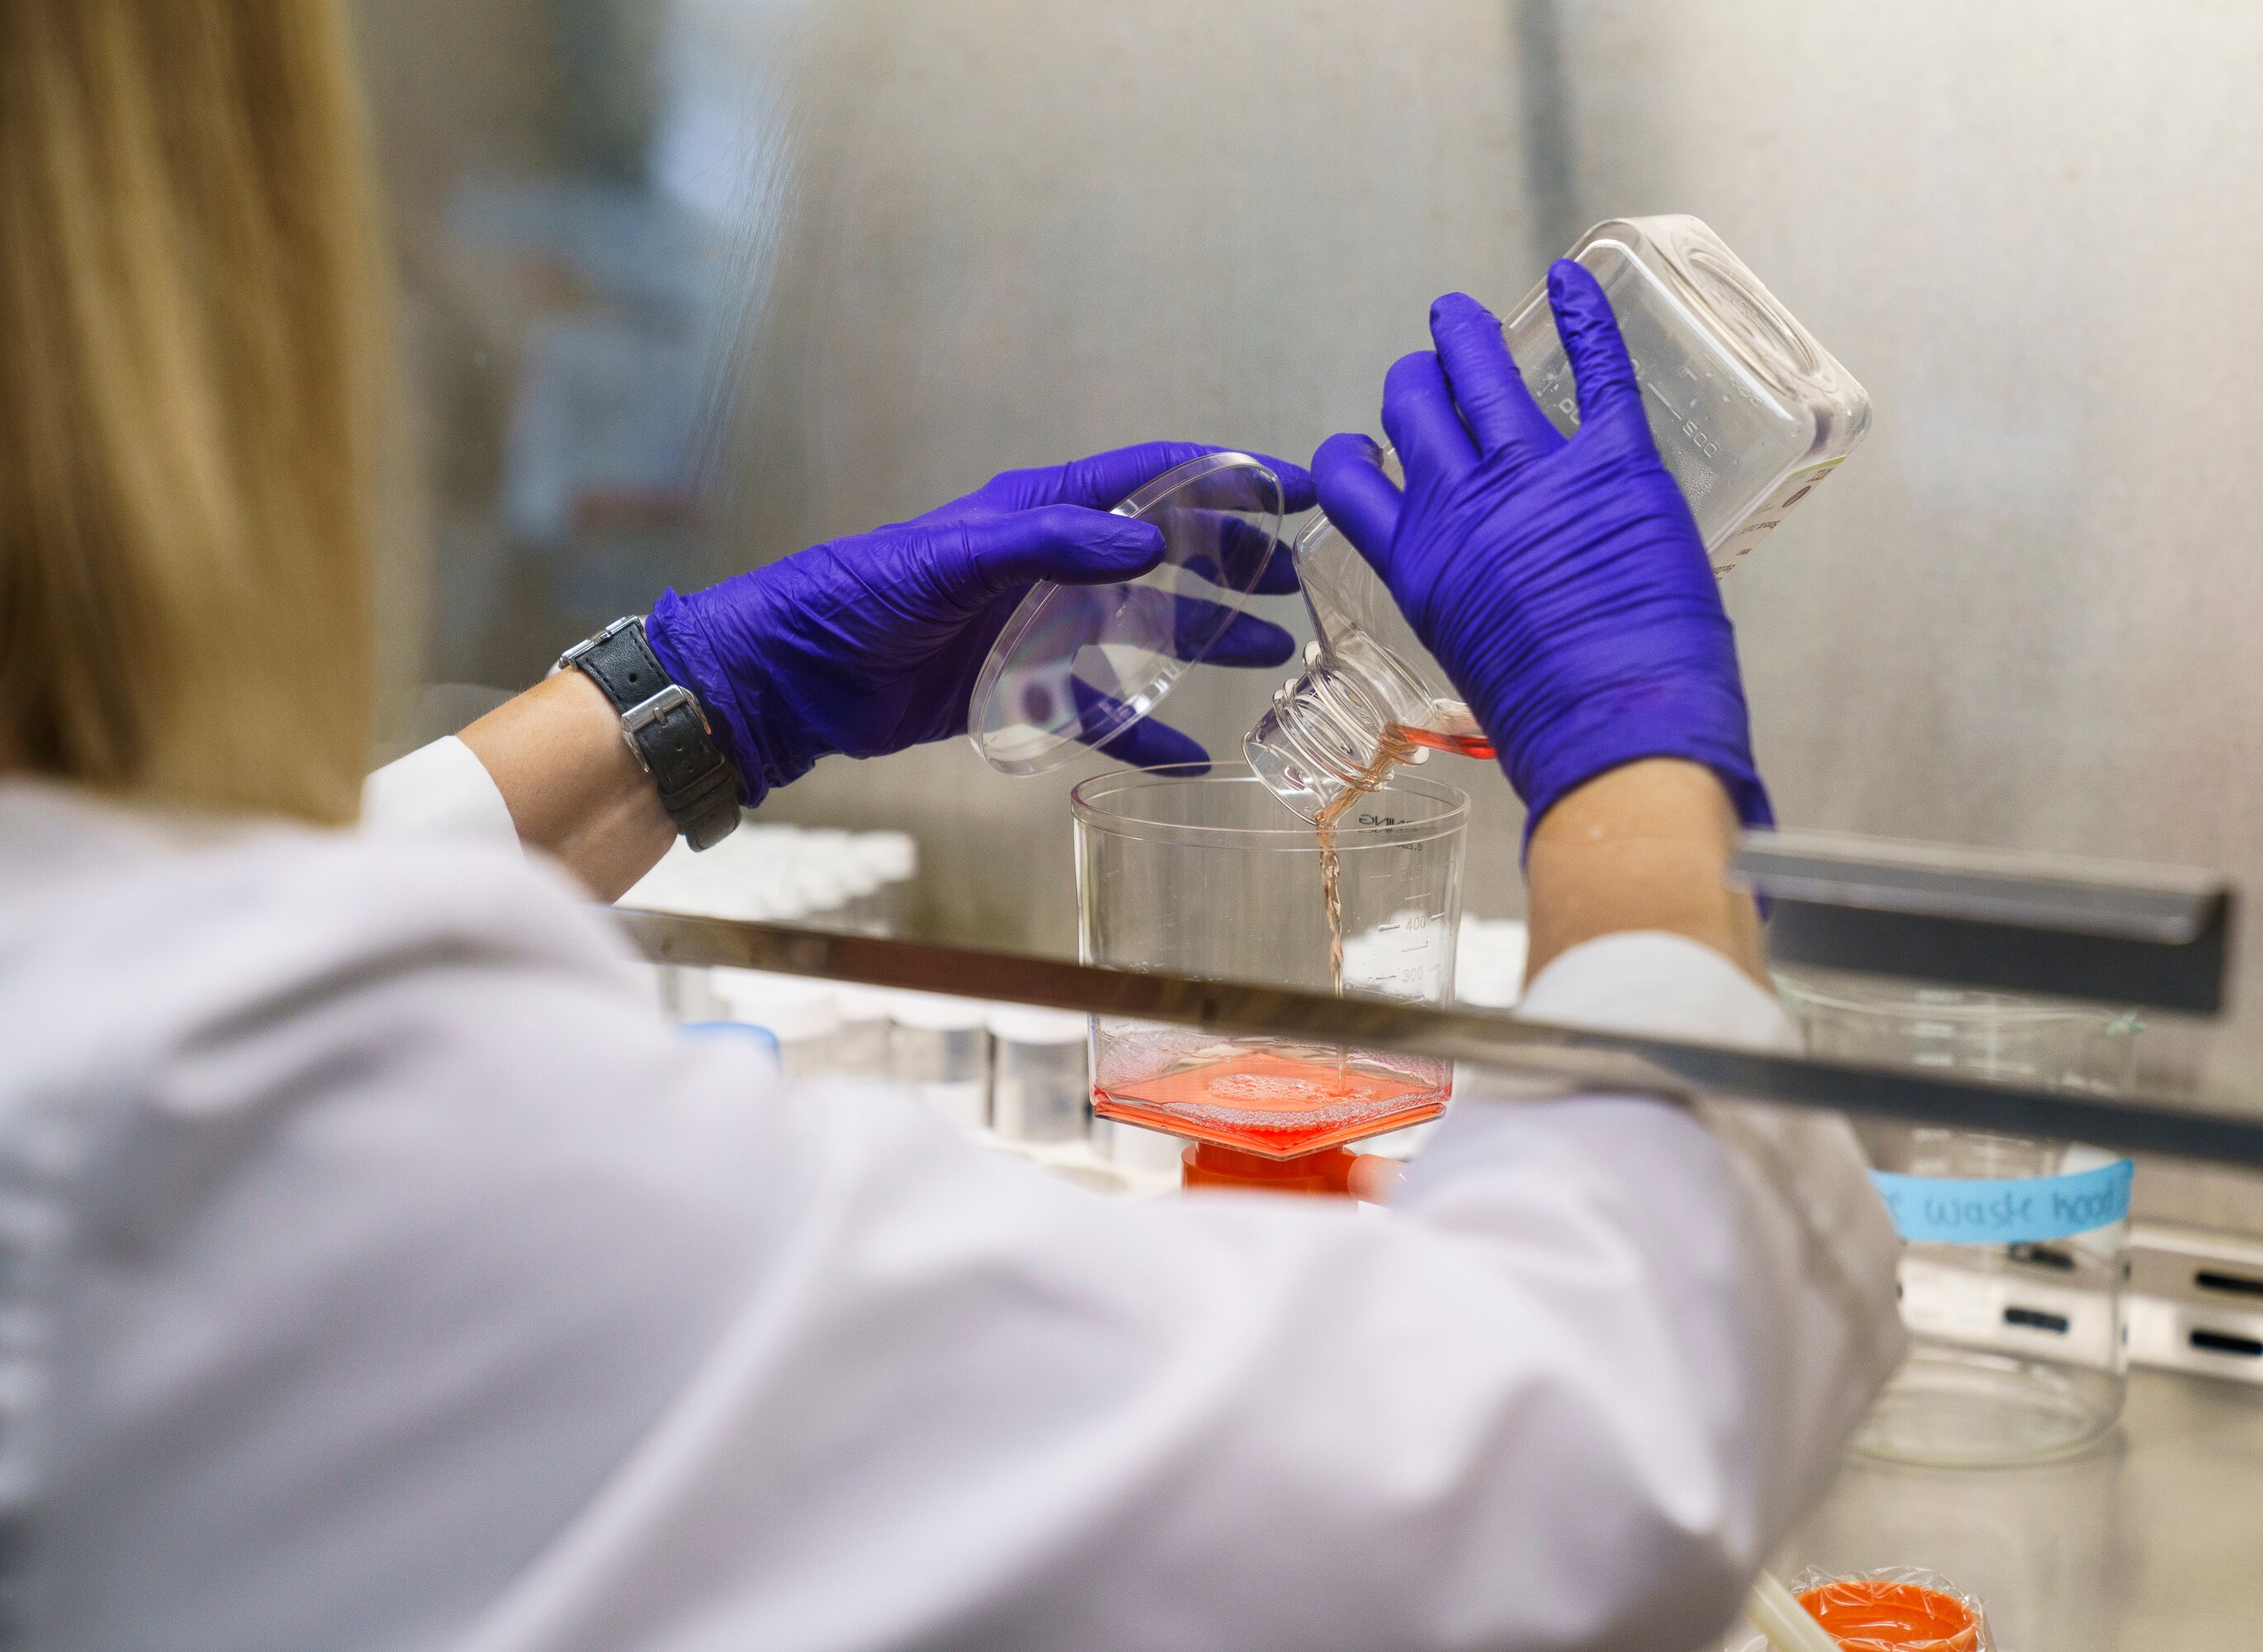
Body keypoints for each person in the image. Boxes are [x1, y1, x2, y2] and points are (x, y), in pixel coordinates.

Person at [0, 5, 1900, 1650]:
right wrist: (1631, 763)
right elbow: (1553, 1465)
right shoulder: (226, 1112)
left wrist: (677, 705)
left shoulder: (130, 1029)